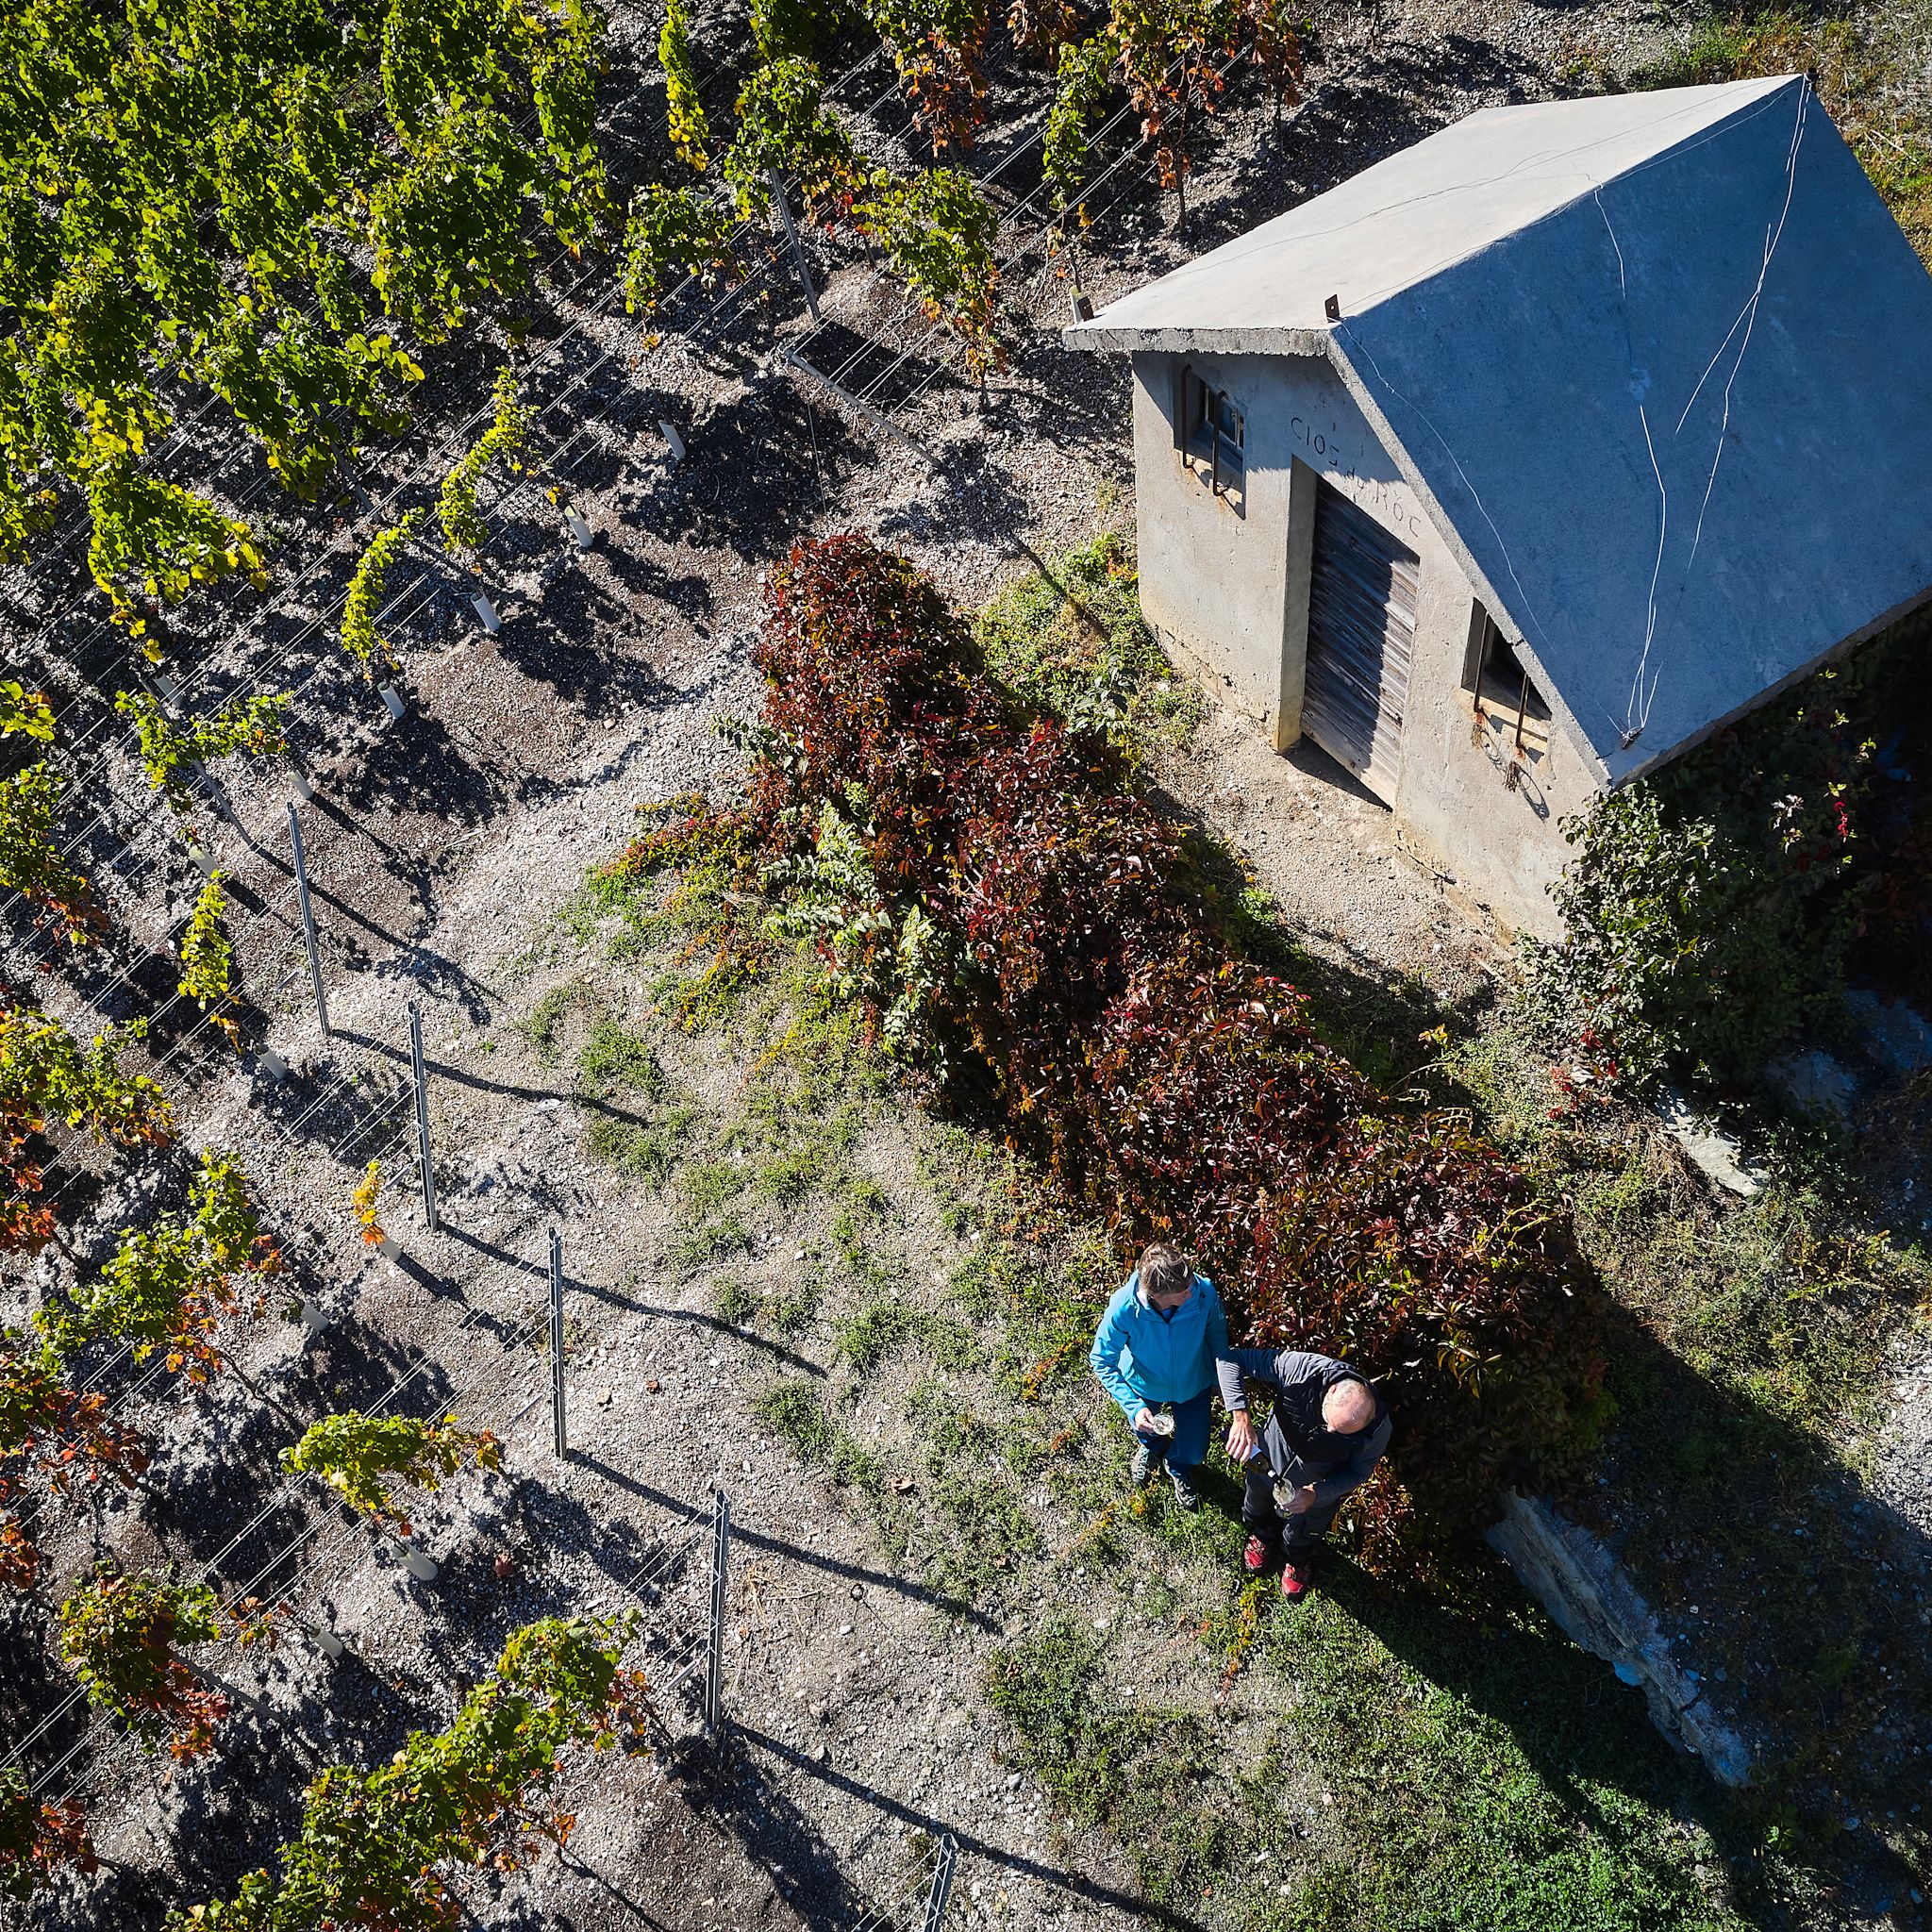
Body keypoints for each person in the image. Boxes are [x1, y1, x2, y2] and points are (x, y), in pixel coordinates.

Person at [1218, 1347, 1391, 1600]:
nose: (1329, 1431)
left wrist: (1316, 1493)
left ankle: (1298, 1560)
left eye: (1342, 1431)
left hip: (1313, 1491)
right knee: (1256, 1502)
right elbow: (1231, 1359)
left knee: (1303, 1531)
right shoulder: (1303, 1369)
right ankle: (1262, 1534)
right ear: (1331, 1391)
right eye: (1328, 1420)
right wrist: (1240, 1416)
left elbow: (1357, 1473)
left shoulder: (1377, 1431)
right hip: (1266, 1463)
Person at [1089, 1242, 1232, 1511]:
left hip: (1194, 1384)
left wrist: (1219, 1378)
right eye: (1183, 1291)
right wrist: (1134, 1407)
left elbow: (1217, 1337)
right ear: (1155, 1295)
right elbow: (1101, 1359)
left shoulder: (1204, 1294)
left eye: (1190, 1282)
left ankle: (1177, 1464)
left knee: (1195, 1452)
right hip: (1144, 1385)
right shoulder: (1124, 1308)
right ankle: (1153, 1447)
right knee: (1144, 1430)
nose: (1193, 1292)